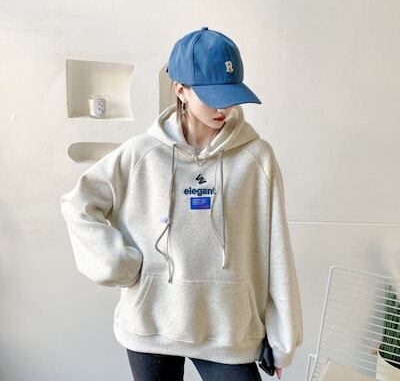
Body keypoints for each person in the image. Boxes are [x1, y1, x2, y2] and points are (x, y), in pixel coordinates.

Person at [60, 26, 303, 381]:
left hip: (228, 329)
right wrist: (119, 264)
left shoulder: (256, 158)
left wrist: (282, 337)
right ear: (180, 90)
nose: (223, 107)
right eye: (212, 95)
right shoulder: (141, 153)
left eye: (230, 95)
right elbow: (77, 204)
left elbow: (276, 248)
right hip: (151, 325)